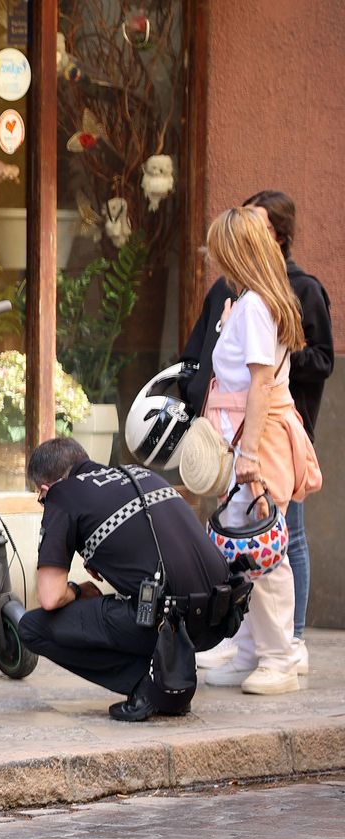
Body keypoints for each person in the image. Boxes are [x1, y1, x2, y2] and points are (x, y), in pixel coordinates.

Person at [182, 191, 331, 675]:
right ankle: (254, 652)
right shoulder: (250, 302)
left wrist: (247, 457)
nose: (213, 259)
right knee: (249, 548)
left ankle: (279, 656)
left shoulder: (253, 307)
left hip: (257, 443)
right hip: (247, 440)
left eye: (219, 251)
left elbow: (261, 382)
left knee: (263, 551)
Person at [16, 438, 232, 721]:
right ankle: (168, 679)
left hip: (171, 624)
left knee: (32, 627)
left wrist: (80, 591)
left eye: (41, 498)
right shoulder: (138, 474)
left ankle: (148, 685)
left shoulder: (63, 495)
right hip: (220, 616)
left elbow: (50, 595)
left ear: (46, 489)